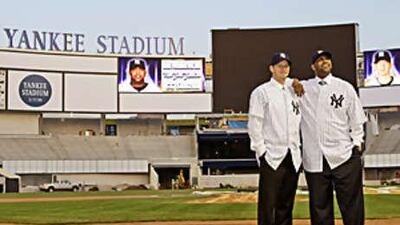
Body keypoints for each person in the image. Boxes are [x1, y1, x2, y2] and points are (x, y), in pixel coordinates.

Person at [295, 50, 367, 225]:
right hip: (315, 158)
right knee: (320, 209)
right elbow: (282, 84)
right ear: (313, 66)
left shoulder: (344, 87)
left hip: (344, 155)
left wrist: (357, 144)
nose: (324, 62)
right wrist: (293, 82)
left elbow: (357, 120)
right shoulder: (304, 87)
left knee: (352, 207)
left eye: (327, 59)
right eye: (319, 60)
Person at [248, 52, 302, 225]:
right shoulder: (261, 92)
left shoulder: (294, 90)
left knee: (286, 204)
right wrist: (261, 151)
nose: (283, 69)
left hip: (292, 155)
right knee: (268, 206)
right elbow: (255, 124)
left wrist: (294, 82)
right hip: (271, 155)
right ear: (271, 68)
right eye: (279, 66)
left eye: (286, 66)